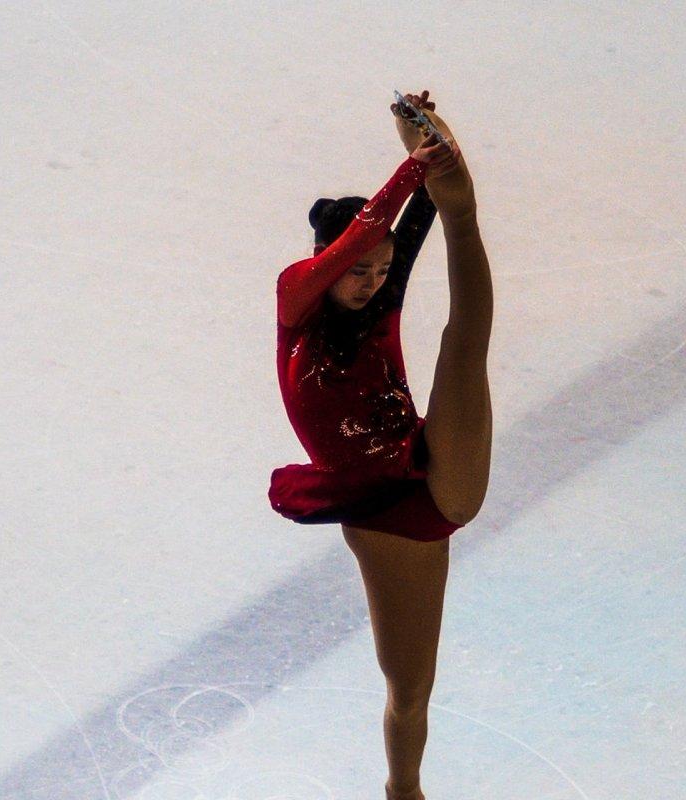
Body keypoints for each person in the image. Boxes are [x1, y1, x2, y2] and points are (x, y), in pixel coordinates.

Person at [268, 90, 493, 800]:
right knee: (410, 686)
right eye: (359, 271)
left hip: (435, 467)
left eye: (381, 272)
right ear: (330, 264)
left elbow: (414, 212)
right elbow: (366, 231)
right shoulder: (296, 304)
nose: (371, 284)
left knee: (466, 339)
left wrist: (429, 149)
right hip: (383, 511)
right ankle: (404, 791)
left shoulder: (379, 292)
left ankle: (468, 213)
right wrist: (406, 172)